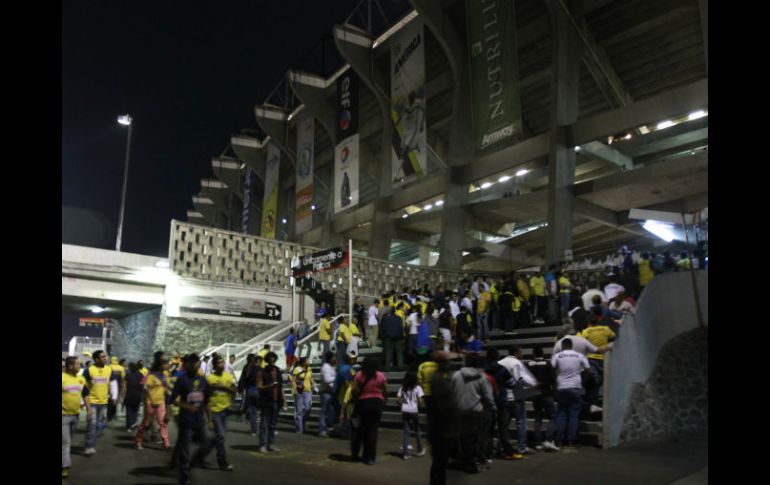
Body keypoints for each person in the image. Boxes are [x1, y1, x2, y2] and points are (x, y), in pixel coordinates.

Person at [169, 354, 212, 485]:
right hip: (185, 420)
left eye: (196, 362)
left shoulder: (203, 381)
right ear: (187, 364)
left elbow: (206, 402)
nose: (194, 365)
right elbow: (172, 399)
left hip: (199, 420)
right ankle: (184, 475)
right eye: (191, 362)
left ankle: (190, 465)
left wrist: (209, 420)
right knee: (185, 450)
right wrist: (186, 405)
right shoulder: (182, 380)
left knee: (206, 445)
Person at [452, 353, 496, 473]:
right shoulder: (481, 377)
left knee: (463, 438)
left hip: (459, 411)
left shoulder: (456, 375)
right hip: (475, 412)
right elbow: (488, 396)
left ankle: (464, 461)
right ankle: (471, 465)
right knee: (473, 439)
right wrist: (491, 408)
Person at [543, 338, 590, 451]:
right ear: (571, 346)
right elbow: (589, 370)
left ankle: (559, 441)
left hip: (561, 387)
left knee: (562, 413)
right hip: (575, 387)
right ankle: (571, 441)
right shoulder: (579, 355)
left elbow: (551, 368)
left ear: (563, 346)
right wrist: (582, 383)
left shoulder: (558, 356)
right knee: (574, 415)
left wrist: (554, 382)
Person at [498, 346, 537, 456]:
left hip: (504, 396)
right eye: (521, 352)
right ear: (515, 353)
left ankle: (501, 447)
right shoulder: (516, 363)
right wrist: (533, 384)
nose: (522, 354)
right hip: (517, 396)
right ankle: (522, 447)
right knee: (521, 422)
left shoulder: (500, 362)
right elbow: (519, 379)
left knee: (504, 424)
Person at [350, 358, 388, 465]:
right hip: (376, 403)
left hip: (363, 403)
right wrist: (384, 401)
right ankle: (371, 457)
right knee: (373, 431)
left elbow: (354, 390)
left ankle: (363, 455)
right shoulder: (380, 375)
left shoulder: (359, 375)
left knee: (364, 430)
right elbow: (385, 390)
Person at [203, 355, 236, 471]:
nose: (222, 365)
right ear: (215, 365)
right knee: (220, 436)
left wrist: (223, 387)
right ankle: (223, 463)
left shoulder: (228, 376)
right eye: (220, 363)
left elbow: (233, 390)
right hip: (215, 411)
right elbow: (206, 400)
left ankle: (203, 453)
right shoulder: (210, 379)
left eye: (223, 363)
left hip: (225, 410)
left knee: (219, 438)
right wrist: (210, 420)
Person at [579, 315, 617, 413]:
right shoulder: (605, 329)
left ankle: (591, 402)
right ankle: (593, 402)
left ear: (589, 323)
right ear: (597, 322)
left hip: (591, 359)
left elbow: (580, 341)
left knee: (593, 382)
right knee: (599, 382)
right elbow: (613, 336)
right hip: (603, 359)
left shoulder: (586, 331)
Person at [62, 356, 91, 479]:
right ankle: (65, 467)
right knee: (66, 443)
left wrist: (89, 410)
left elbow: (85, 395)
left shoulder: (81, 379)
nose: (80, 366)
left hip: (76, 415)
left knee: (67, 442)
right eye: (78, 364)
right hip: (63, 416)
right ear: (70, 366)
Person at [135, 355, 171, 450]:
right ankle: (138, 441)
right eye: (166, 363)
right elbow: (145, 389)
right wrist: (151, 401)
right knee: (146, 424)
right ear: (160, 365)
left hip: (161, 402)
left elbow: (166, 388)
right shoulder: (150, 375)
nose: (168, 365)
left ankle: (166, 444)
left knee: (163, 423)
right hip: (150, 402)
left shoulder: (166, 374)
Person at [82, 349, 113, 455]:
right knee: (92, 424)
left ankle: (91, 444)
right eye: (103, 357)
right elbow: (83, 386)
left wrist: (113, 395)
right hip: (92, 402)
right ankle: (88, 446)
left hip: (103, 402)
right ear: (96, 359)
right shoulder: (89, 370)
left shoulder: (109, 370)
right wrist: (83, 401)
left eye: (105, 356)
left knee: (97, 425)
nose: (105, 358)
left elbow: (110, 384)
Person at [527, 345, 557, 450]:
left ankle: (537, 443)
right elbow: (553, 379)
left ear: (533, 354)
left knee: (538, 418)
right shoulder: (547, 363)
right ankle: (549, 439)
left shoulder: (529, 364)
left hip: (535, 394)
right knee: (553, 417)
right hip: (547, 393)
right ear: (543, 353)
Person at [257, 352, 285, 452]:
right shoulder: (262, 372)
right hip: (266, 400)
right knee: (264, 424)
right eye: (270, 360)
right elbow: (259, 386)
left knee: (273, 424)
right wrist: (269, 386)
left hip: (276, 401)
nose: (272, 362)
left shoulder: (277, 371)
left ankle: (271, 444)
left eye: (274, 359)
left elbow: (281, 386)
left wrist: (284, 400)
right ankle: (262, 445)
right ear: (267, 361)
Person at [397, 371, 425, 460]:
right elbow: (420, 401)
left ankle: (406, 454)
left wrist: (403, 403)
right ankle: (420, 449)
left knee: (406, 431)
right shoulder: (417, 388)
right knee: (417, 429)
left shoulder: (403, 388)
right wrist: (416, 404)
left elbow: (398, 400)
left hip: (405, 410)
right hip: (414, 410)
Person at [291, 357, 315, 434]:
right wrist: (295, 390)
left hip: (308, 391)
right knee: (299, 411)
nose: (308, 361)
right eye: (307, 360)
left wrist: (313, 384)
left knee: (308, 408)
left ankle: (302, 423)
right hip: (299, 391)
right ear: (303, 362)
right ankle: (299, 429)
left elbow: (311, 378)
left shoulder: (309, 369)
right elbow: (293, 380)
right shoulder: (297, 369)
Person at [381, 306, 406, 371]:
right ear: (394, 311)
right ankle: (400, 367)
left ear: (389, 311)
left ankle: (388, 367)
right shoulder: (399, 318)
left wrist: (383, 337)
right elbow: (401, 329)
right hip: (398, 338)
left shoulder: (386, 319)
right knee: (399, 353)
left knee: (388, 353)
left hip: (388, 338)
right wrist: (402, 338)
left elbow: (383, 328)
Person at [318, 352, 337, 437]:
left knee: (331, 412)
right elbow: (327, 379)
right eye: (334, 357)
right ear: (330, 358)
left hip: (330, 393)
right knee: (324, 412)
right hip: (325, 393)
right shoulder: (325, 367)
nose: (335, 359)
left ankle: (328, 428)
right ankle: (322, 430)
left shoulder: (331, 367)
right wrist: (336, 378)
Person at [124, 362, 144, 432]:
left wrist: (122, 394)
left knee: (129, 411)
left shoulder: (128, 375)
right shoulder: (141, 375)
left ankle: (128, 426)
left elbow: (124, 386)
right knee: (135, 411)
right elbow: (142, 385)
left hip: (129, 395)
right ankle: (133, 423)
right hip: (137, 395)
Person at [107, 356, 126, 422]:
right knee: (115, 400)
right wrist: (123, 386)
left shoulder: (108, 367)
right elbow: (123, 378)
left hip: (109, 386)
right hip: (118, 386)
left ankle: (109, 416)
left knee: (109, 401)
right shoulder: (121, 368)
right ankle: (114, 414)